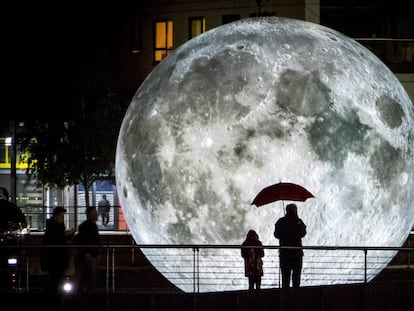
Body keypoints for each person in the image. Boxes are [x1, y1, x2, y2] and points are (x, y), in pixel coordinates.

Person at [41, 206, 75, 293]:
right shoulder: (54, 228)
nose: (63, 218)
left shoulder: (54, 227)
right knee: (55, 279)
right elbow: (58, 240)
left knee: (56, 280)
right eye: (61, 216)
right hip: (55, 259)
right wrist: (68, 234)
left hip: (57, 259)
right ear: (56, 216)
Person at [273, 203, 306, 289]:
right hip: (297, 253)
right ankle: (296, 295)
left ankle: (285, 296)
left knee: (285, 277)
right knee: (296, 277)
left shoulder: (281, 221)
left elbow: (276, 234)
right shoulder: (298, 221)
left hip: (285, 253)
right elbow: (303, 233)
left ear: (286, 211)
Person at [74, 206, 101, 294]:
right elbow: (83, 240)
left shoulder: (91, 226)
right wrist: (87, 253)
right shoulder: (87, 226)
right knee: (88, 278)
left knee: (88, 279)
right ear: (89, 214)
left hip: (90, 255)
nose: (97, 214)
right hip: (87, 256)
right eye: (94, 213)